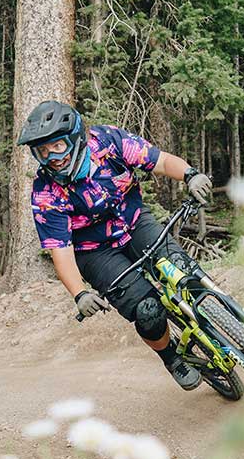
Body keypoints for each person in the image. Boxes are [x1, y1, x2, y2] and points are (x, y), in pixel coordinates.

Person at [17, 100, 213, 391]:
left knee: (188, 275)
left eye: (56, 146)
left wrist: (190, 174)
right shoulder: (45, 192)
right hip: (95, 252)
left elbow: (159, 161)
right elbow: (61, 251)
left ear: (73, 137)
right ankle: (171, 358)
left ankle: (225, 329)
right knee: (148, 311)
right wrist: (79, 293)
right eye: (42, 151)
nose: (51, 157)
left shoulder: (109, 142)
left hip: (134, 222)